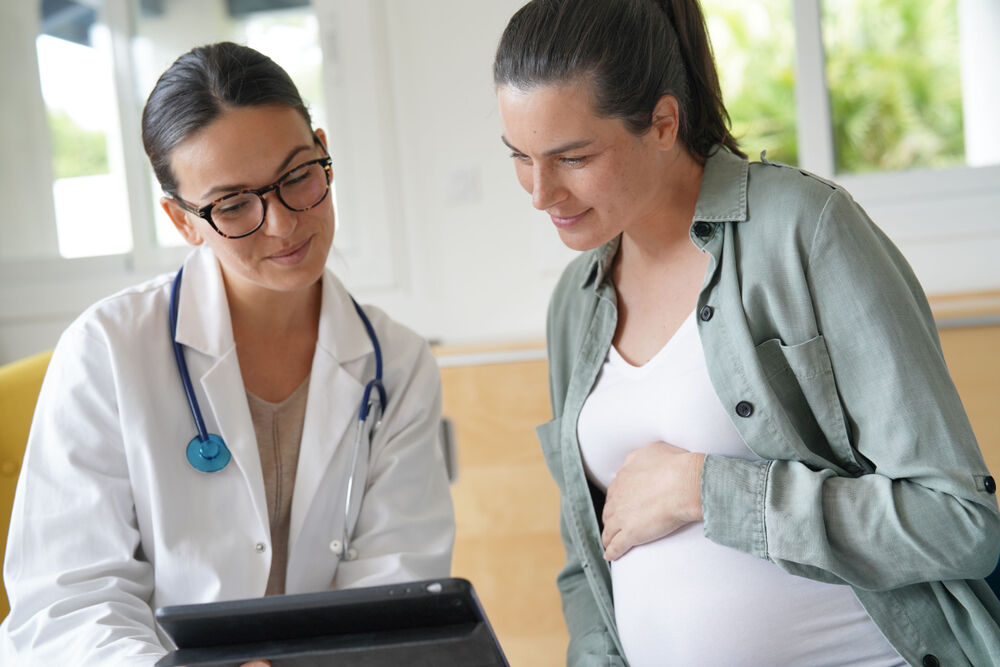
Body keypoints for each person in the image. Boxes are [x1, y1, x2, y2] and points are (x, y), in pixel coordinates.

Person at [494, 1, 1000, 665]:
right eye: (519, 157)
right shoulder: (575, 303)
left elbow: (958, 523)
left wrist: (704, 490)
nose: (540, 193)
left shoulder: (804, 230)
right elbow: (585, 560)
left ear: (664, 123)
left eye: (573, 157)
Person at [1, 42, 454, 664]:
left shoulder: (395, 365)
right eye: (234, 203)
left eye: (298, 175)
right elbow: (68, 603)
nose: (282, 223)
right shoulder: (107, 351)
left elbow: (395, 587)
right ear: (183, 220)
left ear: (324, 151)